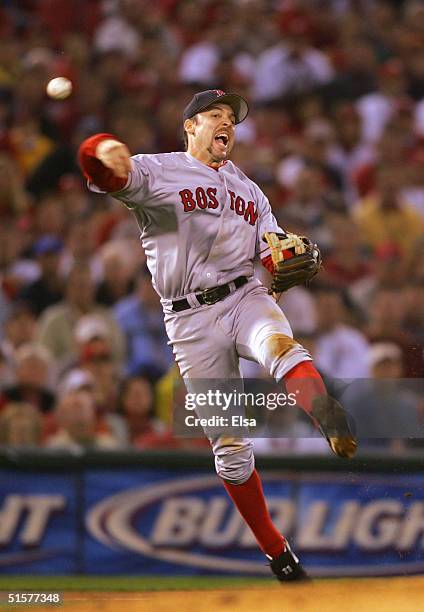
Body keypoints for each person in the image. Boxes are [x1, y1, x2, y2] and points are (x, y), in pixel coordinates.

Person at [78, 89, 357, 582]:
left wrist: (280, 255)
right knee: (230, 450)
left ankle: (323, 412)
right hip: (188, 320)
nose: (226, 122)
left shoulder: (252, 192)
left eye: (231, 117)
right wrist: (100, 149)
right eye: (214, 115)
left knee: (279, 345)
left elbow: (273, 253)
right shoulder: (160, 170)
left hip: (244, 296)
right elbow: (109, 173)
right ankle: (280, 555)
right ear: (190, 126)